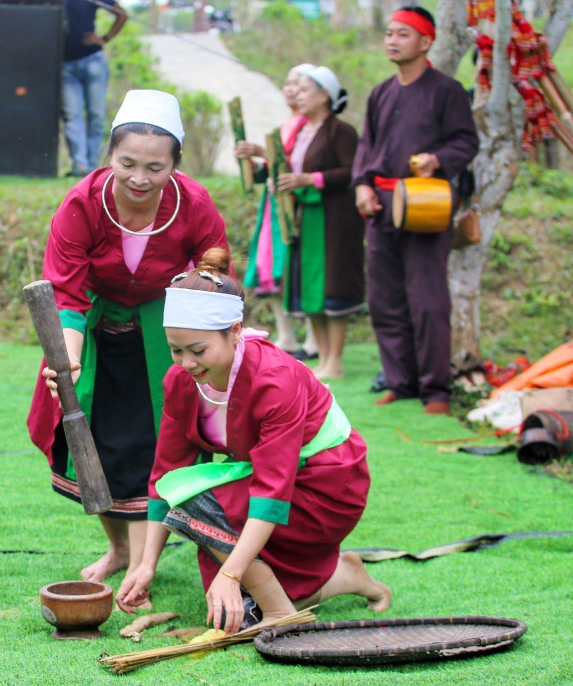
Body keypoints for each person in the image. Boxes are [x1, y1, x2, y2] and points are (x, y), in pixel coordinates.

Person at [115, 249, 390, 631]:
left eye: (198, 350)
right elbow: (167, 474)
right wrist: (146, 565)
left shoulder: (275, 379)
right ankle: (343, 576)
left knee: (197, 504)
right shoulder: (180, 381)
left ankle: (279, 611)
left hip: (327, 484)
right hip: (268, 483)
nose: (186, 362)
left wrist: (230, 574)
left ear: (235, 331)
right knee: (238, 617)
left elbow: (272, 488)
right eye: (176, 349)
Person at [28, 90, 231, 584]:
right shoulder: (81, 204)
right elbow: (67, 293)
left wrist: (212, 344)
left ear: (175, 165)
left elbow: (215, 276)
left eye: (156, 168)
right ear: (110, 156)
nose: (140, 178)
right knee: (91, 440)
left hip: (164, 333)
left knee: (151, 443)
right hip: (94, 331)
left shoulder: (194, 204)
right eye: (128, 164)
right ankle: (119, 550)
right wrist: (67, 361)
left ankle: (144, 566)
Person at [352, 6, 479, 414]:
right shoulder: (380, 92)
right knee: (385, 299)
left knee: (427, 299)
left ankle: (435, 390)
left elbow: (466, 141)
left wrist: (437, 159)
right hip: (381, 207)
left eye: (402, 34)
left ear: (426, 42)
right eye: (389, 33)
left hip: (426, 205)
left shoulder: (447, 90)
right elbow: (367, 147)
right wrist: (362, 185)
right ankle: (400, 381)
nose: (392, 40)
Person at [278, 66, 364, 379]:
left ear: (324, 94)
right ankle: (324, 359)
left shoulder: (341, 131)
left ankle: (335, 361)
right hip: (306, 218)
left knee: (333, 285)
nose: (297, 95)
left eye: (304, 90)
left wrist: (310, 179)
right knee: (310, 285)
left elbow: (353, 171)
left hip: (335, 221)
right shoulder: (302, 131)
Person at [235, 63, 319, 361]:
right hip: (273, 205)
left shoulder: (311, 126)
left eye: (300, 85)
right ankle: (287, 335)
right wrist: (255, 163)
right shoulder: (288, 124)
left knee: (298, 267)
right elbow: (275, 167)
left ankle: (314, 338)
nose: (292, 90)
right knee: (269, 267)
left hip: (296, 203)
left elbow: (295, 165)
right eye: (288, 83)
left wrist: (262, 151)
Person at [61, 0, 128, 177]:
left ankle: (92, 167)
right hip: (65, 64)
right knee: (72, 115)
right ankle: (79, 165)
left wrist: (105, 38)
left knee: (96, 115)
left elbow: (122, 14)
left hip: (92, 61)